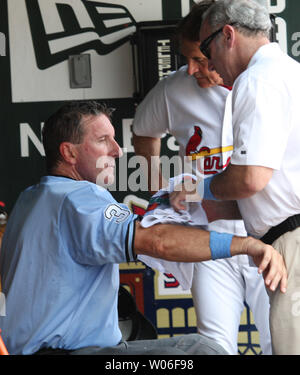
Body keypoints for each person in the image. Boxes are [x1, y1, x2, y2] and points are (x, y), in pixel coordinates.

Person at [0, 101, 286, 355]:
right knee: (204, 351)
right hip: (70, 351)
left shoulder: (31, 197)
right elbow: (157, 241)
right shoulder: (78, 199)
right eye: (103, 140)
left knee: (142, 332)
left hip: (38, 347)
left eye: (114, 139)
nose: (116, 150)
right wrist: (246, 245)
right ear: (69, 153)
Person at [132, 1, 272, 355]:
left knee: (281, 339)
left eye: (200, 58)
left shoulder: (266, 83)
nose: (192, 69)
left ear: (224, 44)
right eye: (186, 59)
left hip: (269, 233)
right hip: (208, 238)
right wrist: (157, 192)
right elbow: (144, 133)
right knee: (213, 344)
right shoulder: (174, 89)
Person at [185, 0, 300, 355]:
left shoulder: (257, 79)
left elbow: (251, 178)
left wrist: (203, 188)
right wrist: (211, 206)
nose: (209, 64)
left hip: (291, 244)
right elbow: (279, 184)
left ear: (228, 35)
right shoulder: (289, 70)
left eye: (206, 49)